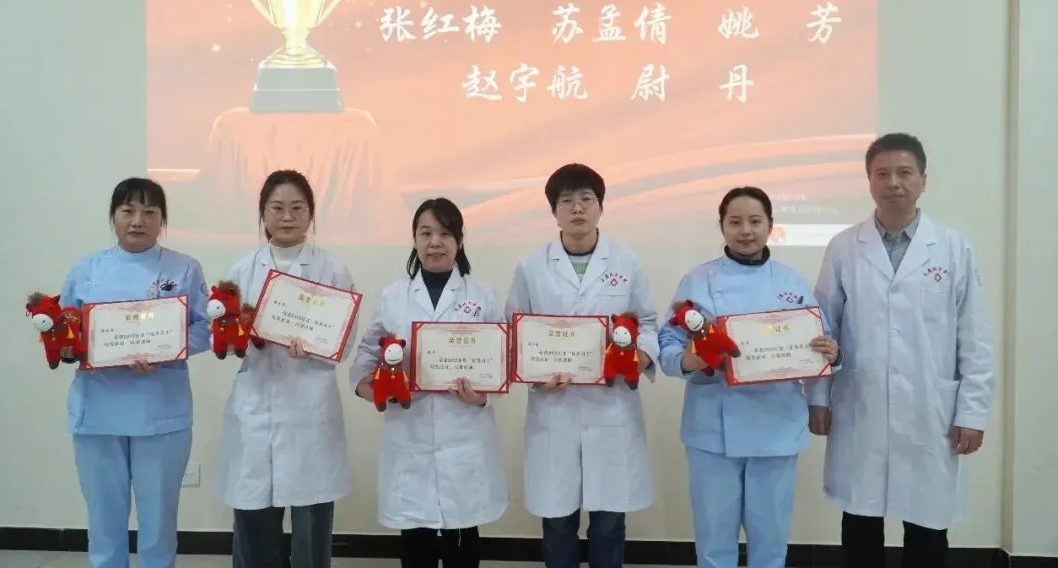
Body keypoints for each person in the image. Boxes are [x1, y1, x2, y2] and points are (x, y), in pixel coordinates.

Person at [805, 133, 997, 568]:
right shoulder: (844, 247)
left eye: (905, 172)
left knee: (928, 524)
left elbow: (975, 337)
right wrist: (817, 399)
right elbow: (822, 328)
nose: (893, 182)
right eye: (883, 173)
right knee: (860, 520)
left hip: (930, 410)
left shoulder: (952, 247)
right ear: (869, 181)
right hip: (861, 403)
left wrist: (972, 412)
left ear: (923, 180)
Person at [657, 186, 840, 568]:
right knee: (714, 539)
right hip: (712, 427)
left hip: (776, 425)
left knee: (770, 539)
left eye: (755, 221)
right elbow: (668, 344)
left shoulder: (792, 284)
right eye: (735, 222)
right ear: (722, 226)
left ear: (771, 225)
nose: (746, 231)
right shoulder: (697, 281)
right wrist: (689, 360)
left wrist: (832, 354)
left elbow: (819, 345)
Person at [504, 163, 659, 568]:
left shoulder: (626, 262)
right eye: (567, 201)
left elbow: (646, 323)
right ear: (554, 211)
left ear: (600, 207)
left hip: (611, 407)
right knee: (558, 523)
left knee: (608, 524)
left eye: (586, 199)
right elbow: (514, 332)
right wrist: (536, 375)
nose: (577, 208)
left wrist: (639, 357)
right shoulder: (531, 267)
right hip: (554, 409)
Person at [58, 177, 212, 568]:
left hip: (161, 413)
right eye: (128, 210)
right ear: (113, 216)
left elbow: (206, 327)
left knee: (158, 524)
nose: (137, 220)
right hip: (98, 413)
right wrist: (68, 346)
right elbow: (65, 331)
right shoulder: (85, 270)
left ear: (163, 219)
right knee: (103, 522)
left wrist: (165, 349)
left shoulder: (185, 269)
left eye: (149, 212)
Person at [350, 198, 509, 568]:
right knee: (416, 539)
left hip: (465, 433)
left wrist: (482, 397)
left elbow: (504, 360)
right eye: (426, 233)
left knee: (463, 541)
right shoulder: (393, 296)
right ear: (414, 239)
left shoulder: (483, 296)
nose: (435, 242)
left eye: (445, 233)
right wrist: (370, 390)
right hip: (411, 433)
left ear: (459, 240)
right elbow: (367, 353)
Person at [214, 170, 358, 568]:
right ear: (263, 213)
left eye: (297, 207)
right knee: (253, 509)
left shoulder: (332, 269)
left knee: (311, 515)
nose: (287, 216)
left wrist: (315, 346)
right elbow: (228, 331)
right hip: (256, 401)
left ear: (311, 213)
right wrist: (232, 339)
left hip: (310, 403)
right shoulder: (243, 270)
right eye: (277, 208)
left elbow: (345, 338)